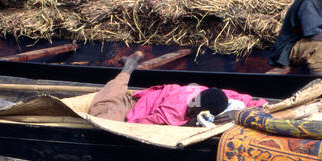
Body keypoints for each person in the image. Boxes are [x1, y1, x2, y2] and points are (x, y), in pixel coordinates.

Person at [89, 52, 266, 125]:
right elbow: (139, 125)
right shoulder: (173, 111)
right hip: (137, 104)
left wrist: (238, 114)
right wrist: (186, 125)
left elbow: (257, 103)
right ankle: (128, 68)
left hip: (159, 94)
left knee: (114, 95)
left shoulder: (218, 96)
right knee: (101, 114)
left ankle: (127, 69)